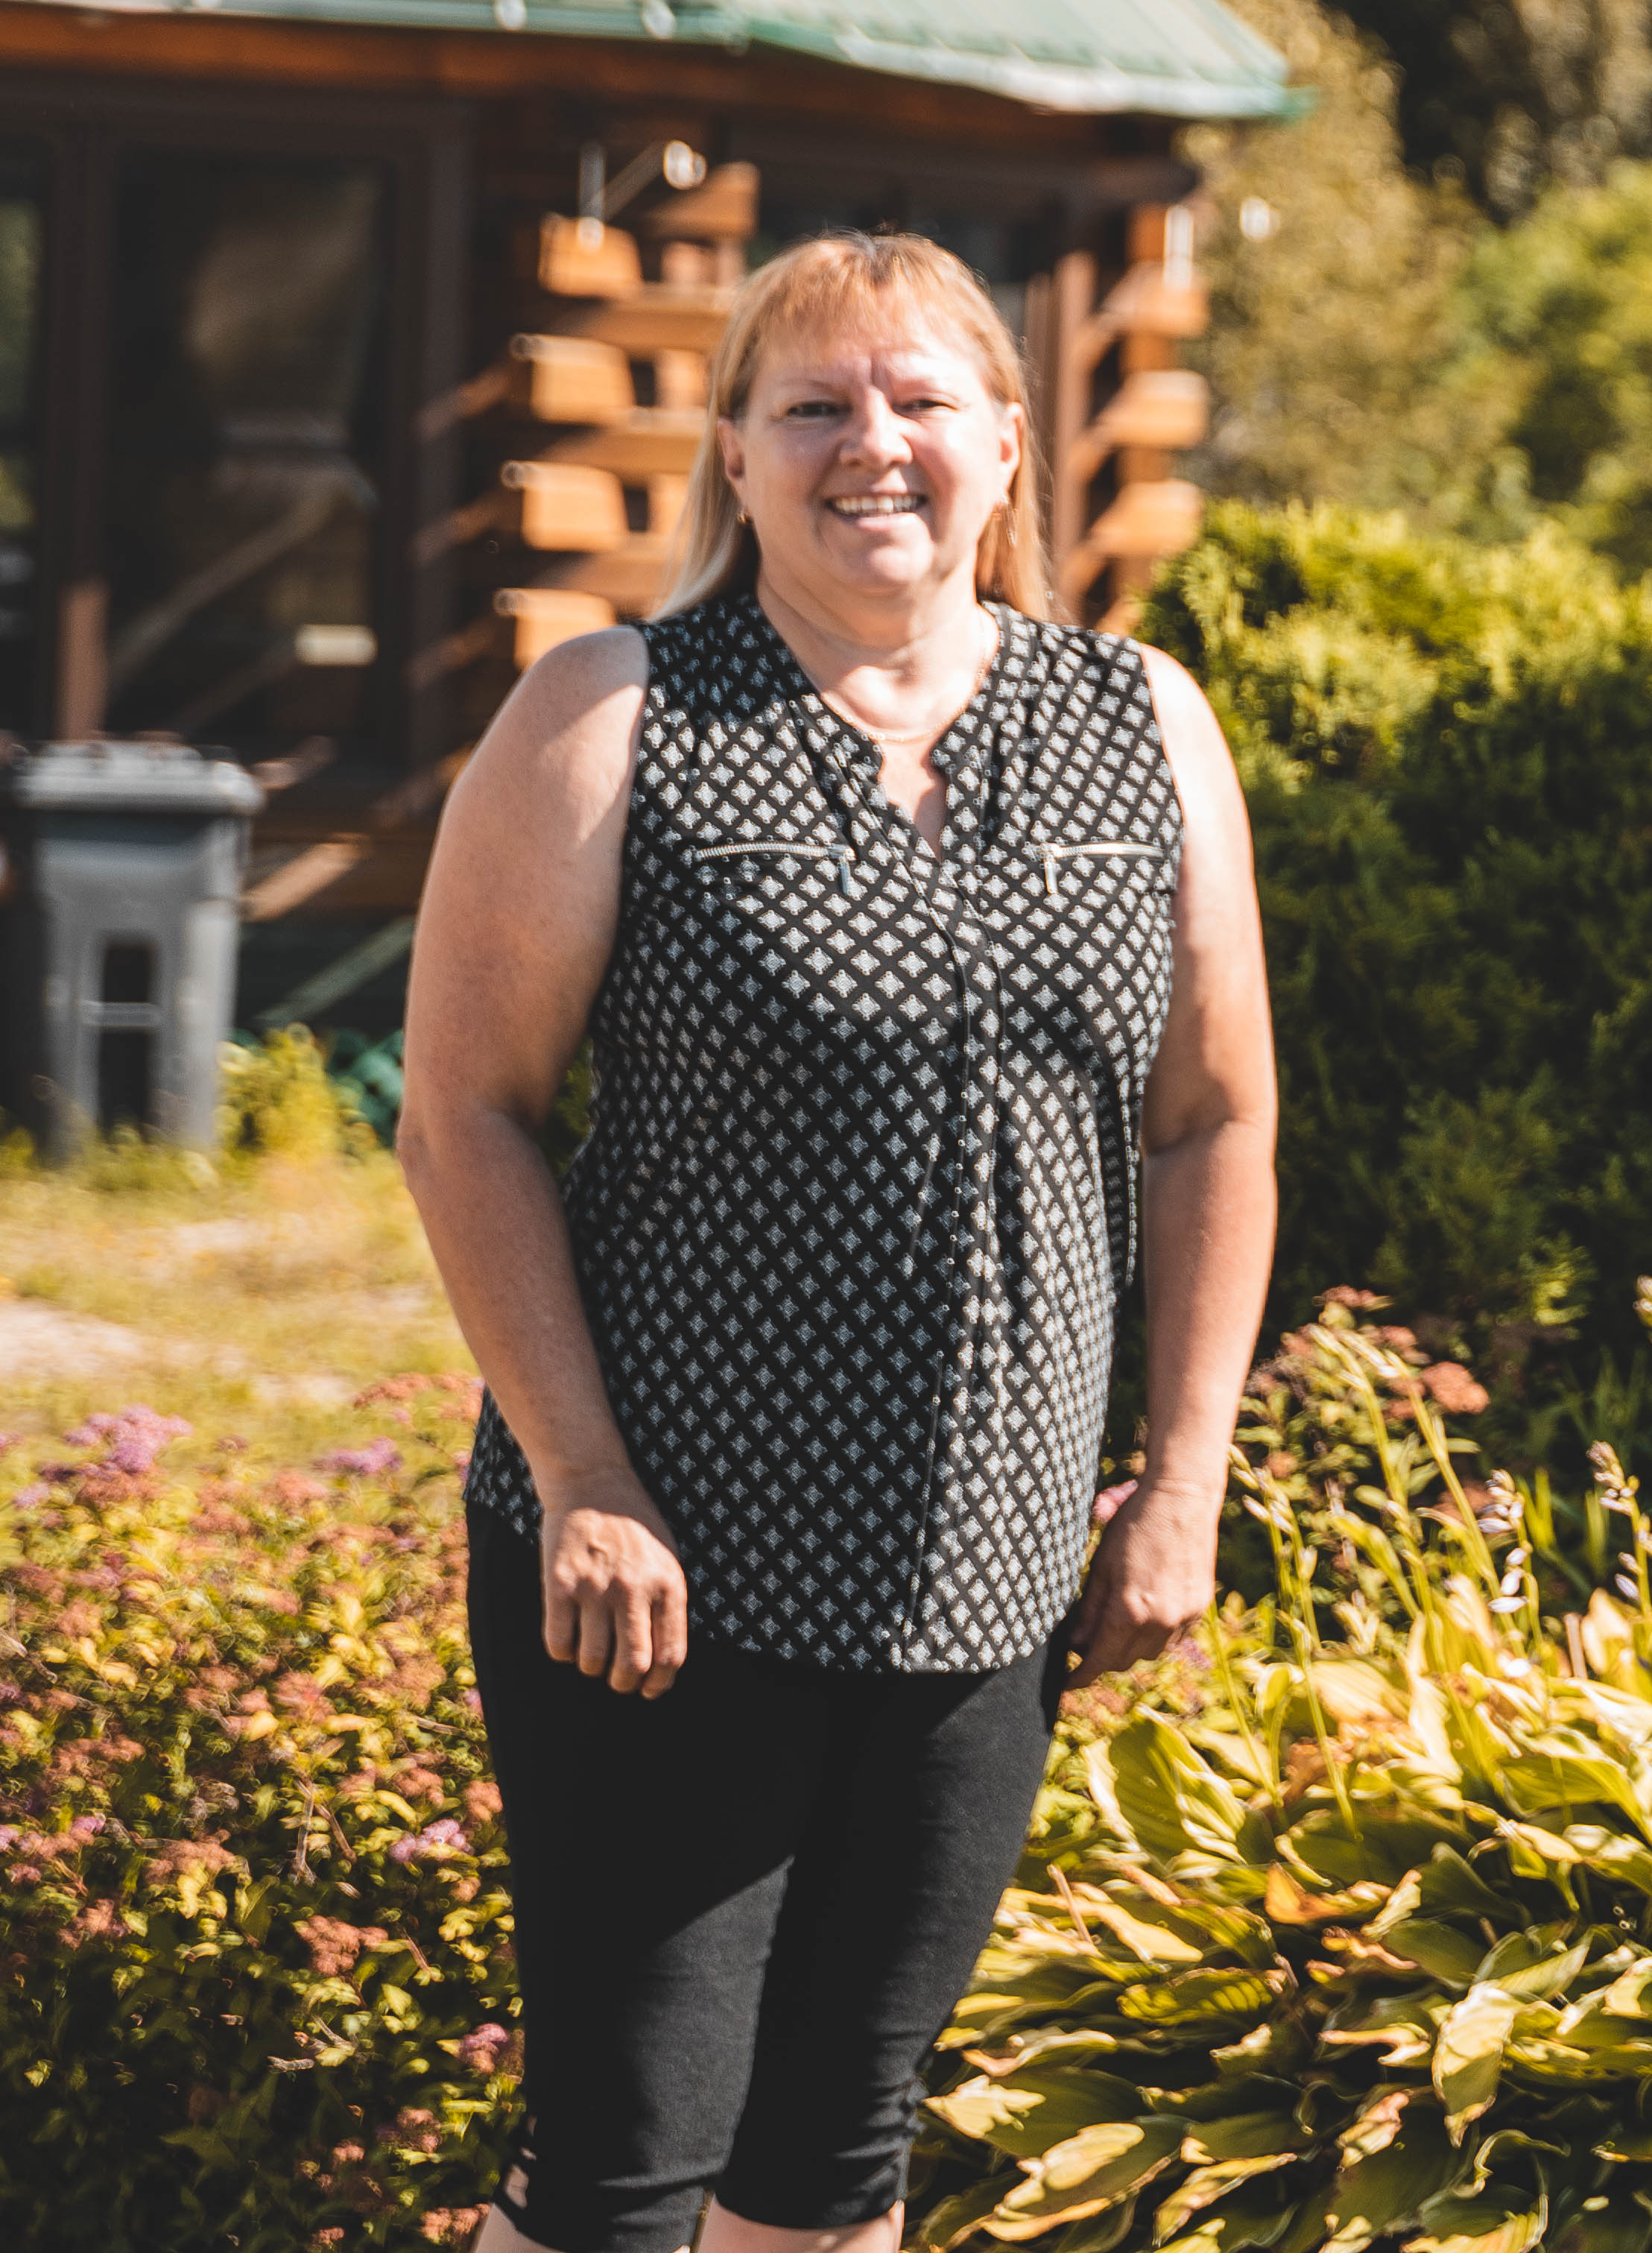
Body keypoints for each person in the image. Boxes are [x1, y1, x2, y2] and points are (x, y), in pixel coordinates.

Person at [400, 229, 1280, 2253]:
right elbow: (466, 1116)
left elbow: (1214, 1115)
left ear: (1005, 446)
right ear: (733, 452)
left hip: (985, 1595)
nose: (867, 444)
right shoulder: (614, 715)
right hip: (662, 1581)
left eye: (916, 401)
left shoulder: (1142, 726)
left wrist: (1185, 1483)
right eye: (812, 406)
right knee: (626, 2168)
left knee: (834, 2160)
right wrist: (584, 1477)